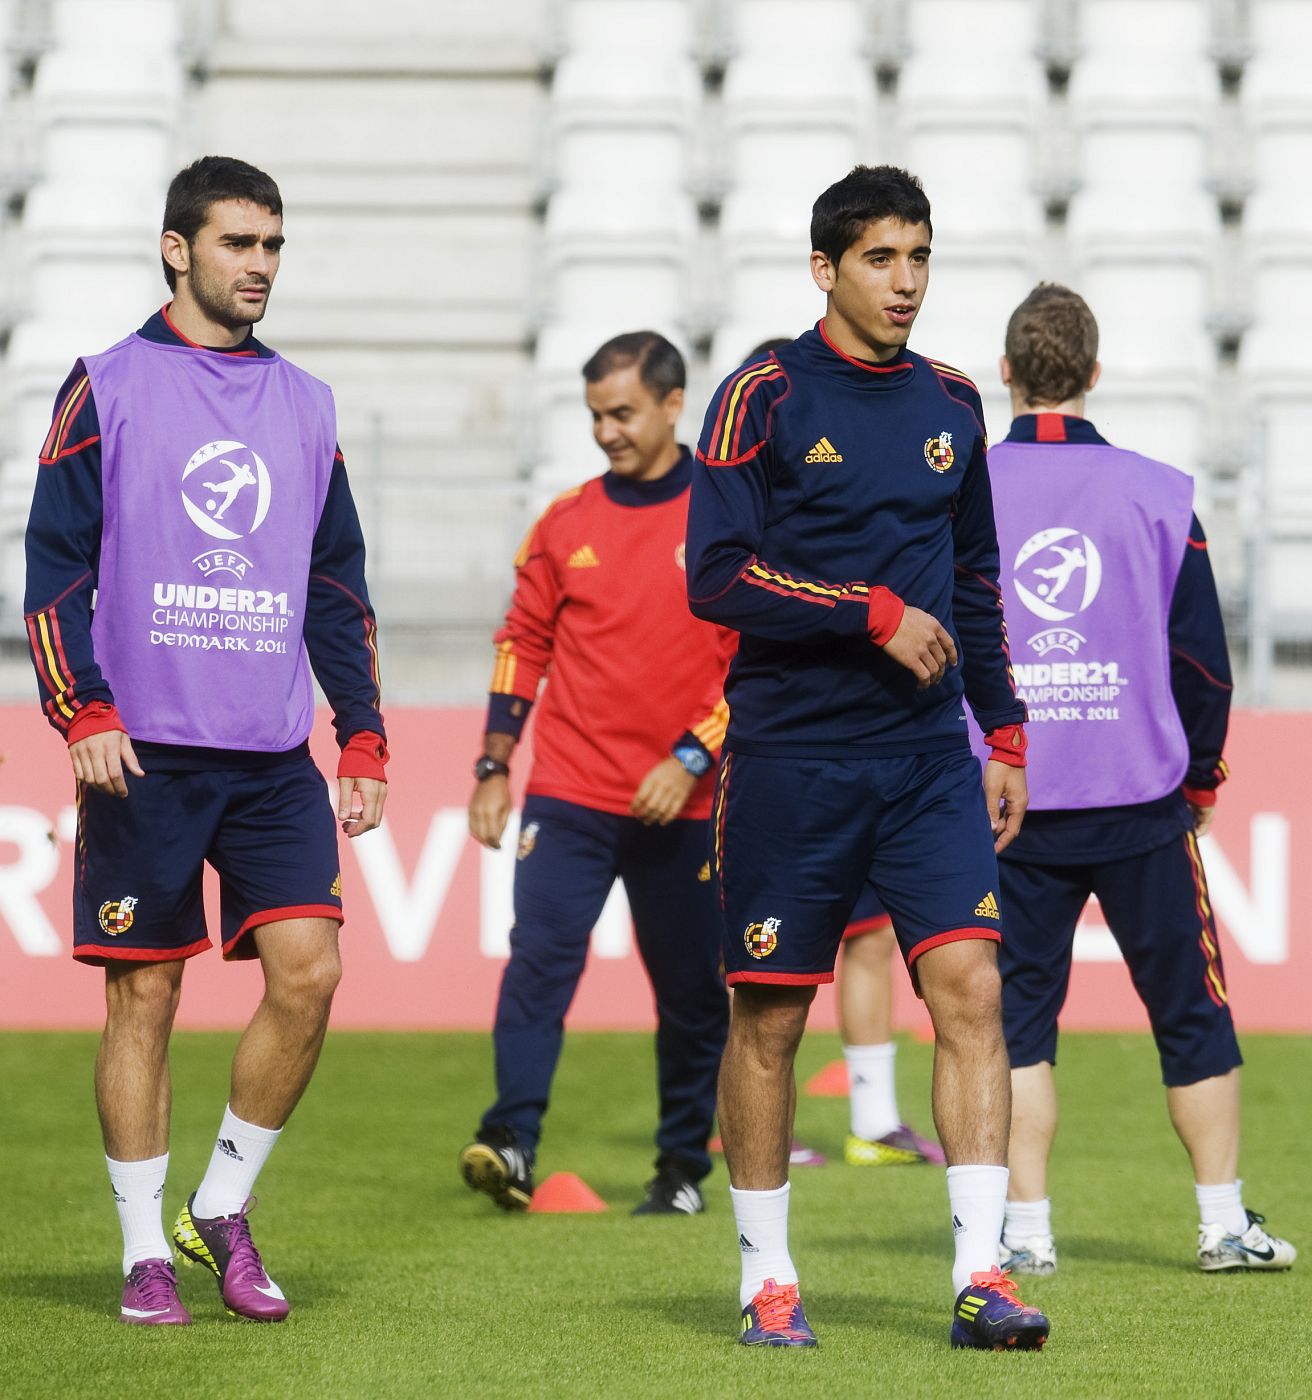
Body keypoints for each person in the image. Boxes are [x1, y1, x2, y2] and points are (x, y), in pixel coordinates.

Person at [686, 164, 1050, 1351]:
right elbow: (715, 576)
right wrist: (868, 612)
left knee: (972, 990)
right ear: (824, 267)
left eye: (919, 257)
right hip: (792, 757)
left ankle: (982, 1274)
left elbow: (979, 581)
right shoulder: (759, 394)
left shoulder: (953, 401)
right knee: (769, 1019)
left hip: (927, 759)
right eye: (881, 258)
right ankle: (768, 1278)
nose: (905, 281)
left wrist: (1003, 728)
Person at [23, 156, 388, 1327]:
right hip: (142, 750)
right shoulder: (106, 384)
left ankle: (221, 1204)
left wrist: (364, 732)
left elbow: (336, 584)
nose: (261, 265)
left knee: (311, 972)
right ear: (177, 248)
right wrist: (82, 706)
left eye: (273, 244)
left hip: (272, 753)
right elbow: (53, 566)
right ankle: (144, 1251)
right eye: (239, 242)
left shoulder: (307, 403)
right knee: (146, 996)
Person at [984, 284, 1296, 1277]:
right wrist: (1201, 776)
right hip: (1139, 801)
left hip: (1008, 802)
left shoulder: (964, 490)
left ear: (1005, 372)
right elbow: (1202, 660)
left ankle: (1026, 1233)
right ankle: (1220, 1224)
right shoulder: (1157, 490)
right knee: (1191, 1013)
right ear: (1093, 372)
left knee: (1016, 1027)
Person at [460, 331, 732, 1216]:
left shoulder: (728, 516)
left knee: (691, 994)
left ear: (672, 404)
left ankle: (682, 1169)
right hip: (570, 792)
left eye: (622, 413)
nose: (606, 432)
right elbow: (521, 644)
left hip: (686, 804)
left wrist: (691, 757)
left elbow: (758, 659)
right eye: (595, 416)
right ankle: (511, 1139)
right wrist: (494, 765)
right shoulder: (565, 522)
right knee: (538, 965)